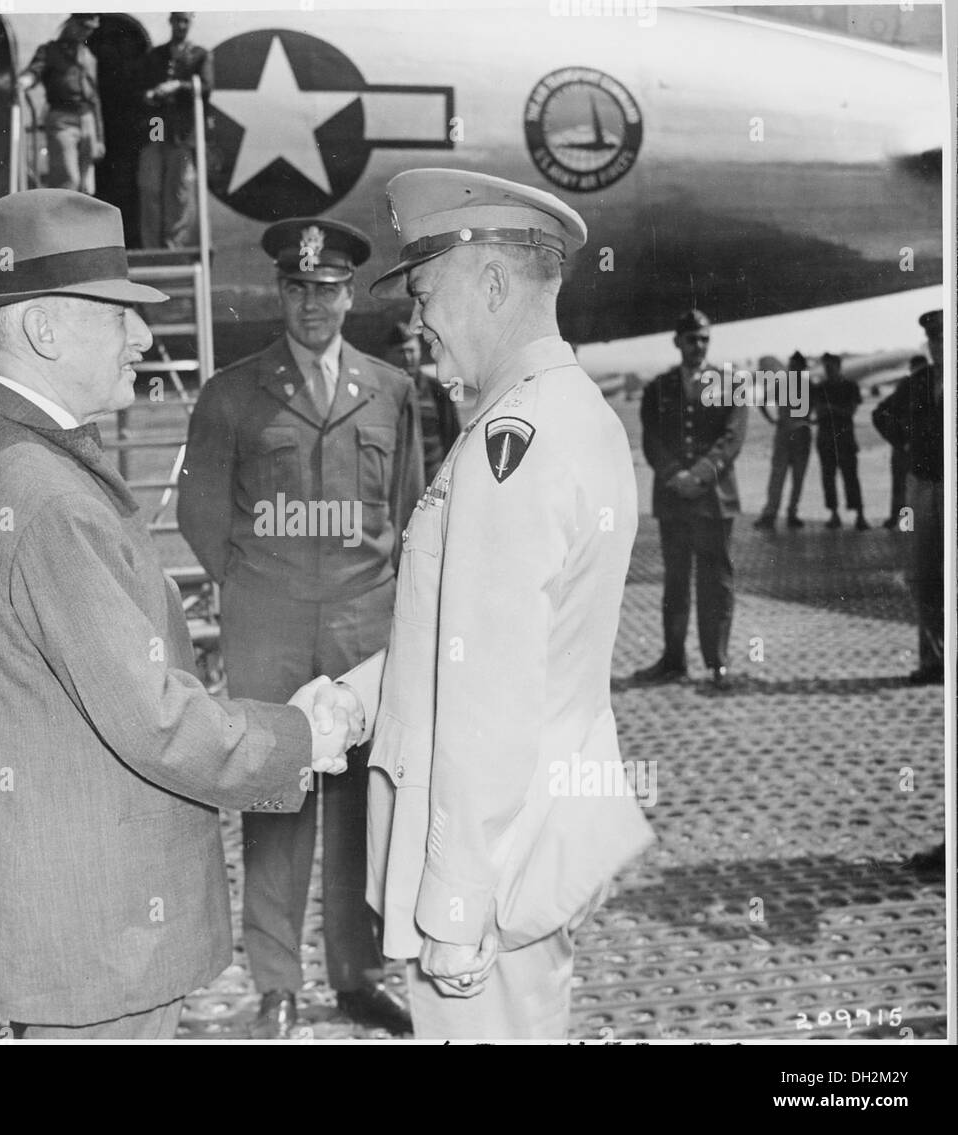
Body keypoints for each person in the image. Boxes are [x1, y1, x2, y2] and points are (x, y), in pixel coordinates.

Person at [0, 189, 352, 1040]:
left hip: (42, 905)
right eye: (120, 317)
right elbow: (152, 720)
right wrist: (299, 737)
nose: (144, 338)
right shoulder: (42, 494)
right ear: (44, 331)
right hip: (99, 931)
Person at [309, 169, 654, 1039]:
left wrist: (455, 909)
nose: (416, 324)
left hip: (492, 871)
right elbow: (467, 639)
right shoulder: (559, 417)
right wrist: (358, 696)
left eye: (425, 294)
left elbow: (492, 696)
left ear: (493, 284)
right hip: (521, 842)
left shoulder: (516, 444)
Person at [178, 217, 423, 1038]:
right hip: (270, 631)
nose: (312, 305)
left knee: (361, 809)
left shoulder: (391, 391)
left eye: (326, 290)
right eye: (296, 288)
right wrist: (257, 592)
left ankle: (358, 975)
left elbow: (408, 511)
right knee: (277, 808)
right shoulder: (232, 393)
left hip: (364, 633)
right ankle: (278, 983)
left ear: (349, 294)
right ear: (278, 292)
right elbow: (200, 512)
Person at [631, 309, 747, 691]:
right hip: (674, 500)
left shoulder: (729, 384)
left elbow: (731, 440)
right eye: (691, 339)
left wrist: (698, 475)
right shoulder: (658, 389)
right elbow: (652, 440)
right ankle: (673, 660)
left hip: (714, 500)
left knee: (717, 582)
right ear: (677, 341)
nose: (698, 346)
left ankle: (718, 663)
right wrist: (673, 476)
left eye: (704, 339)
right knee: (676, 582)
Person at [872, 311, 944, 686]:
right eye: (933, 341)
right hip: (923, 487)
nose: (939, 346)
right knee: (925, 574)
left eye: (945, 339)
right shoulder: (917, 383)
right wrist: (905, 444)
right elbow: (881, 414)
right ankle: (933, 662)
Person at [136, 11, 212, 249]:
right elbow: (140, 87)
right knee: (150, 188)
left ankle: (174, 246)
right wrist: (150, 94)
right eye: (177, 20)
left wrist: (178, 86)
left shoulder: (200, 55)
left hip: (182, 132)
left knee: (178, 194)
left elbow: (207, 87)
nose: (181, 25)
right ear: (170, 22)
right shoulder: (156, 55)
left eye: (185, 21)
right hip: (156, 128)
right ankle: (151, 247)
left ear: (191, 23)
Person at [18, 15, 106, 195]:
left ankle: (82, 223)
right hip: (62, 120)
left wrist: (99, 138)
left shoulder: (88, 56)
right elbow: (34, 71)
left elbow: (95, 99)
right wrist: (24, 81)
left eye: (90, 29)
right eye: (83, 26)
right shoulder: (50, 51)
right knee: (68, 181)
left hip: (87, 120)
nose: (86, 32)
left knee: (86, 186)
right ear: (71, 24)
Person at [386, 320, 461, 486]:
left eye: (412, 351)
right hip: (398, 478)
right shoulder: (382, 391)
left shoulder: (436, 390)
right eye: (401, 352)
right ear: (389, 355)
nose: (408, 358)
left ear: (419, 351)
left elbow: (452, 435)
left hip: (432, 475)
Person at [754, 351, 811, 530]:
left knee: (793, 477)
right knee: (781, 477)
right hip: (792, 435)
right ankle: (775, 514)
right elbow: (761, 402)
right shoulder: (802, 385)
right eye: (792, 366)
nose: (793, 369)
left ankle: (782, 513)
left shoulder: (793, 385)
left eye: (795, 366)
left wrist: (773, 420)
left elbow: (761, 403)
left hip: (792, 435)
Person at [812, 351, 868, 530]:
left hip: (841, 438)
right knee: (830, 478)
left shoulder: (849, 386)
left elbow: (849, 411)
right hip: (832, 438)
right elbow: (823, 411)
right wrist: (836, 410)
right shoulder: (822, 388)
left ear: (838, 366)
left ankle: (859, 514)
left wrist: (830, 409)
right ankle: (837, 514)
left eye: (830, 366)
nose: (828, 370)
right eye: (826, 366)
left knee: (850, 477)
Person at [881, 354, 926, 529]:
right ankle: (908, 523)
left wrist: (896, 440)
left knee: (901, 485)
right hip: (915, 445)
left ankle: (900, 521)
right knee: (912, 486)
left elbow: (883, 412)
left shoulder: (905, 385)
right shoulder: (923, 385)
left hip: (903, 445)